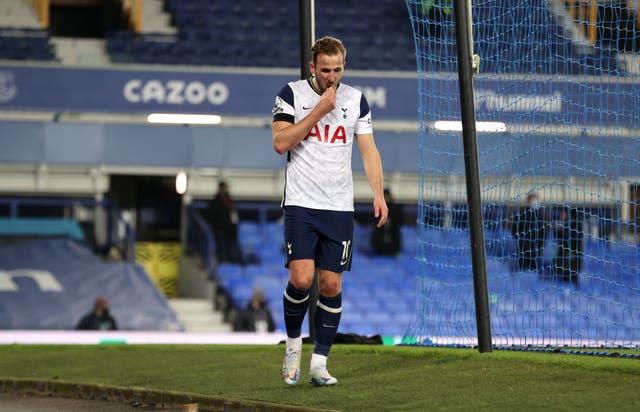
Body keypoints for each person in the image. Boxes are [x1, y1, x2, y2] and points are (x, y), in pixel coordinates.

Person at [272, 36, 388, 386]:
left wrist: (379, 194)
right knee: (302, 279)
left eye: (338, 70)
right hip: (301, 202)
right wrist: (320, 110)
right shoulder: (292, 94)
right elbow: (281, 143)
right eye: (325, 70)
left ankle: (319, 363)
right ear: (312, 68)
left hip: (338, 206)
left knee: (331, 284)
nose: (332, 77)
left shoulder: (355, 100)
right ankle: (293, 346)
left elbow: (368, 151)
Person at [208, 180, 244, 264]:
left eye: (227, 188)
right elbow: (211, 216)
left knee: (231, 248)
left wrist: (234, 225)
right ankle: (223, 264)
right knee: (221, 249)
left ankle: (231, 263)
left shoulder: (230, 201)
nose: (226, 190)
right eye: (225, 188)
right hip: (219, 230)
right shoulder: (215, 202)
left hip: (230, 231)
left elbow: (234, 215)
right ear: (220, 189)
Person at [511, 192, 546, 272]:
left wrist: (541, 244)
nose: (534, 202)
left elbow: (543, 231)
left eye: (536, 200)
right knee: (522, 268)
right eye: (532, 200)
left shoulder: (539, 215)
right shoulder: (522, 214)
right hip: (523, 246)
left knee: (534, 268)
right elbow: (515, 228)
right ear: (528, 201)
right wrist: (520, 238)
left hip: (536, 248)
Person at [552, 206, 583, 286]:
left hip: (572, 253)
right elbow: (558, 237)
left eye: (563, 213)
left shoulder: (575, 225)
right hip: (564, 254)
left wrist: (573, 251)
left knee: (572, 274)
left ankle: (575, 289)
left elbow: (577, 240)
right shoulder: (564, 224)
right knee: (564, 274)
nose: (561, 214)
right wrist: (556, 227)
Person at [371, 188, 403, 256]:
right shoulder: (378, 207)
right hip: (380, 236)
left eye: (387, 197)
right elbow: (374, 219)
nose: (386, 199)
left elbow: (401, 220)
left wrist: (391, 221)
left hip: (393, 235)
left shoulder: (396, 208)